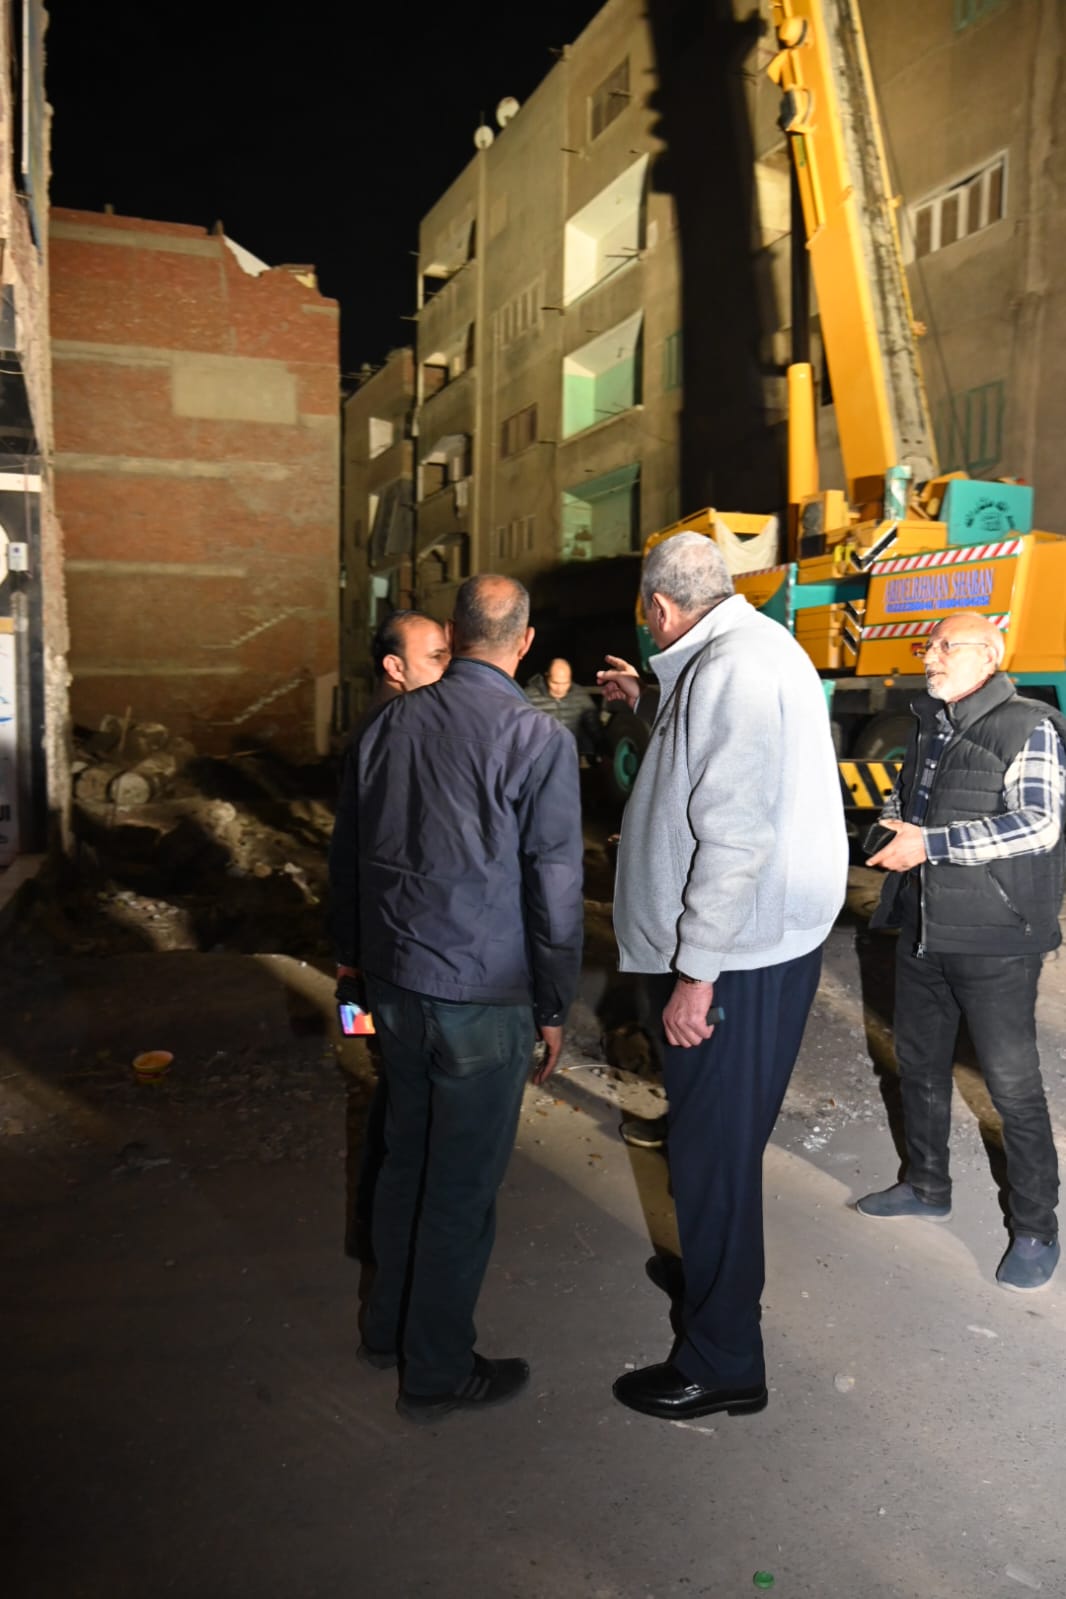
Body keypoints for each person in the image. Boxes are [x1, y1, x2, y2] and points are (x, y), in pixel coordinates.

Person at [602, 532, 848, 1422]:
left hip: (737, 956)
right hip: (755, 944)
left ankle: (723, 1359)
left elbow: (736, 833)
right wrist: (651, 700)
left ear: (661, 608)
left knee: (711, 1155)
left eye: (648, 619)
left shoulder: (733, 670)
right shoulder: (745, 649)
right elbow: (713, 756)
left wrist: (696, 972)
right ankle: (714, 1277)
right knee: (716, 1145)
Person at [336, 574, 584, 1423]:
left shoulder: (386, 725)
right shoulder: (536, 738)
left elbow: (349, 855)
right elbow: (555, 890)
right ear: (524, 642)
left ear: (455, 630)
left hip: (396, 985)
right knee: (460, 1187)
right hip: (482, 995)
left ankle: (385, 1331)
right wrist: (554, 1006)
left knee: (405, 1158)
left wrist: (353, 967)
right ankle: (436, 1370)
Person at [857, 609, 1066, 1292]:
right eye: (930, 645)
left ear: (990, 655)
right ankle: (926, 1186)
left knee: (1011, 1085)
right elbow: (908, 802)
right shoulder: (928, 723)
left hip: (996, 938)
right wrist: (892, 827)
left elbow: (1038, 824)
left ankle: (1035, 1228)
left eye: (946, 646)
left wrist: (930, 844)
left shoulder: (1027, 724)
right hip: (925, 926)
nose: (930, 656)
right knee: (918, 1065)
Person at [329, 609, 451, 1260]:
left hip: (374, 952)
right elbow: (358, 858)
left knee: (394, 1087)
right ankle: (385, 1236)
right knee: (403, 1095)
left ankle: (376, 1230)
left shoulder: (389, 725)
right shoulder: (391, 734)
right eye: (436, 657)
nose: (448, 667)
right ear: (394, 667)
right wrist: (351, 961)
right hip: (388, 956)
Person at [524, 657, 600, 758]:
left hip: (571, 756)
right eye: (555, 683)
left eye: (565, 683)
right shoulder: (529, 697)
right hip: (539, 756)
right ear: (547, 676)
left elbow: (595, 729)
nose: (560, 689)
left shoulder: (580, 696)